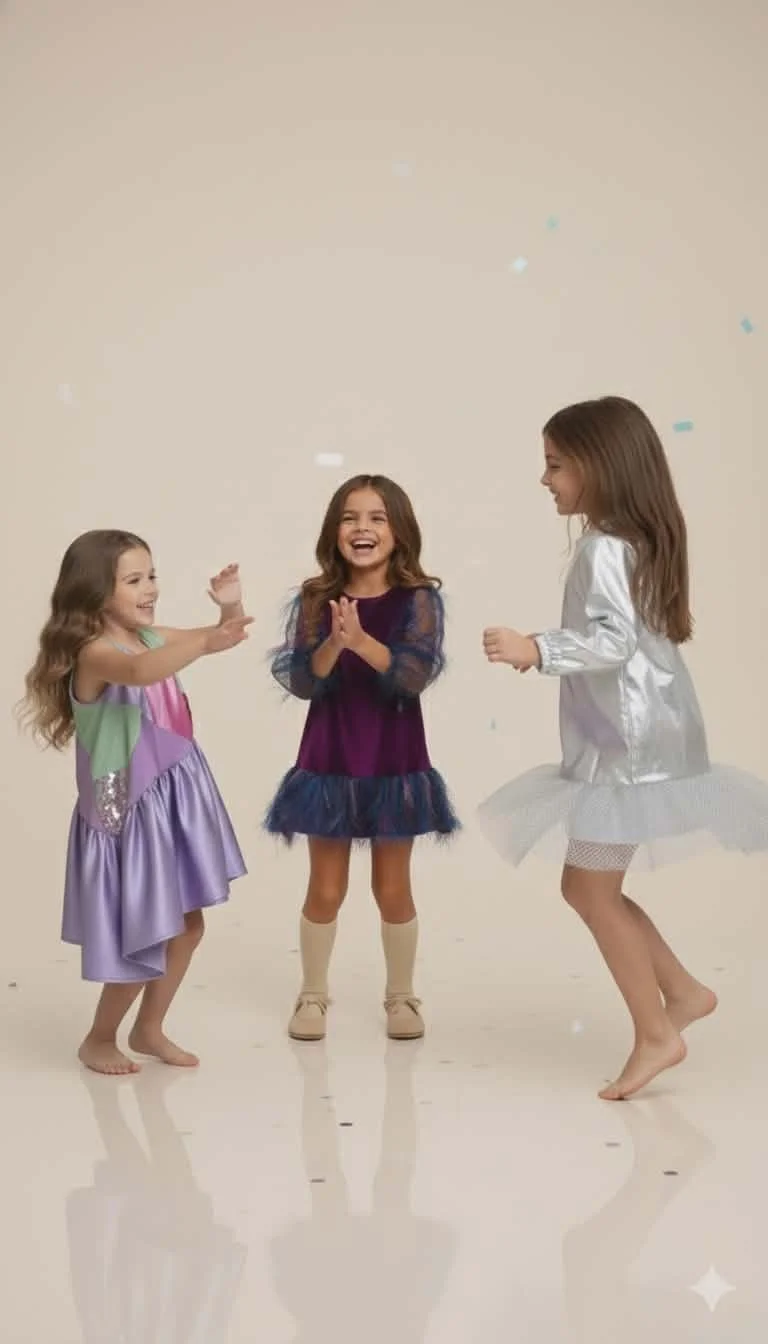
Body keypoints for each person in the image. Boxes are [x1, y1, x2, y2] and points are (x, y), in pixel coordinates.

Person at [478, 397, 768, 1100]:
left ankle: (658, 1032)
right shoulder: (628, 539)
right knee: (590, 885)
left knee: (588, 887)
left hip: (628, 746)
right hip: (641, 735)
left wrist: (534, 648)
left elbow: (612, 640)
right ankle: (682, 991)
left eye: (555, 465)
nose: (545, 481)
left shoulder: (605, 546)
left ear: (598, 467)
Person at [20, 530, 250, 1075]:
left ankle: (149, 1028)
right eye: (133, 579)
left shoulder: (148, 635)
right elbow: (142, 672)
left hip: (168, 797)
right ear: (96, 591)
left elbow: (223, 634)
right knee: (141, 935)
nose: (149, 588)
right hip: (124, 807)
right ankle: (99, 1038)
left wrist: (230, 605)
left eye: (152, 575)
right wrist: (204, 643)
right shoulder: (96, 653)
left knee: (188, 926)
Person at [266, 474, 459, 1043]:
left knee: (392, 889)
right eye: (351, 517)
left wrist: (362, 641)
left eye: (377, 517)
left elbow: (413, 675)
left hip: (393, 760)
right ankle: (312, 993)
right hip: (330, 758)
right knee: (325, 888)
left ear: (399, 531)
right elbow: (302, 680)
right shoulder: (315, 598)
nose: (363, 528)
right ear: (334, 529)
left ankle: (401, 996)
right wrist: (333, 639)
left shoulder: (418, 599)